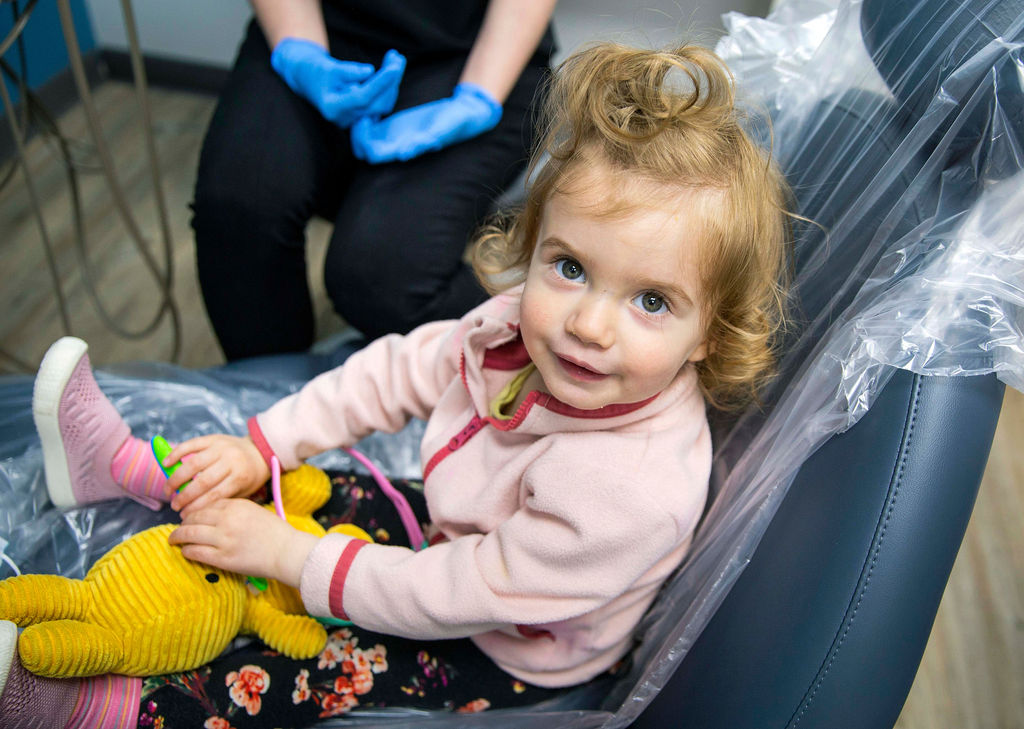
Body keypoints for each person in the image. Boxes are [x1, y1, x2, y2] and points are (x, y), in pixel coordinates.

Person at [0, 40, 793, 728]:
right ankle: (136, 473)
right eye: (571, 266)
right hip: (455, 522)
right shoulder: (524, 324)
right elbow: (402, 367)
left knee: (315, 669)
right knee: (298, 482)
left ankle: (99, 710)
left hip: (505, 636)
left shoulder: (628, 489)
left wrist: (291, 559)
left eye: (651, 300)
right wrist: (259, 445)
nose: (589, 322)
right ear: (536, 242)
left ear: (711, 335)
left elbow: (462, 588)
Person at [193, 0, 558, 361]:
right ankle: (267, 390)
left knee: (382, 278)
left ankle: (552, 346)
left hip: (476, 51)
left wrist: (478, 97)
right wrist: (299, 51)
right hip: (309, 29)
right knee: (238, 209)